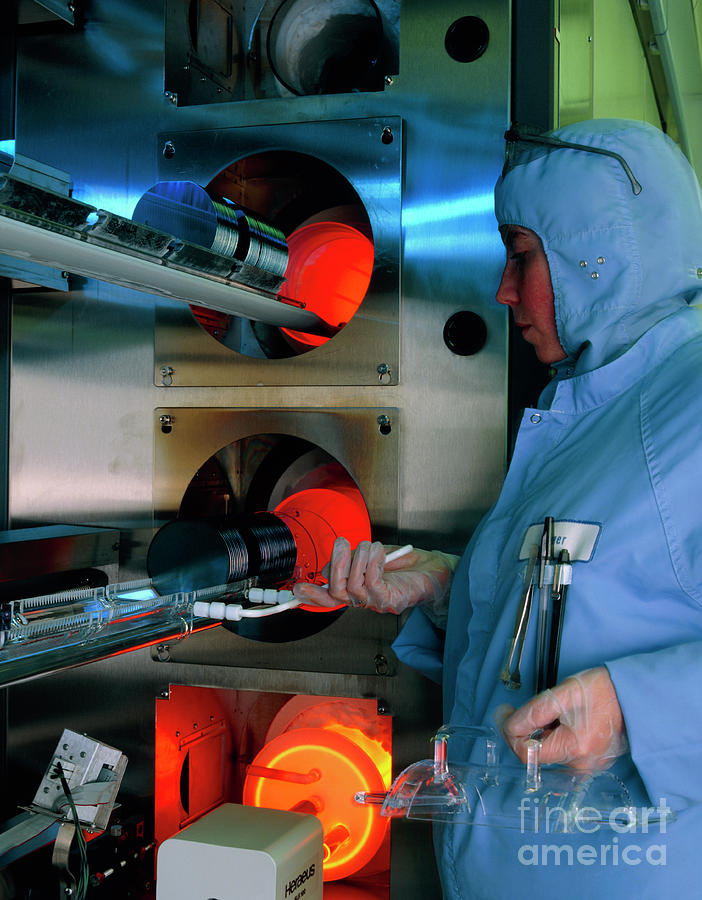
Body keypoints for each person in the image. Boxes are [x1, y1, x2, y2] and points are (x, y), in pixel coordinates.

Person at [294, 119, 702, 898]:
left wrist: (635, 709)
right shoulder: (588, 415)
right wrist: (450, 589)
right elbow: (586, 602)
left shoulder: (691, 404)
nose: (502, 289)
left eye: (521, 255)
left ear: (600, 253)